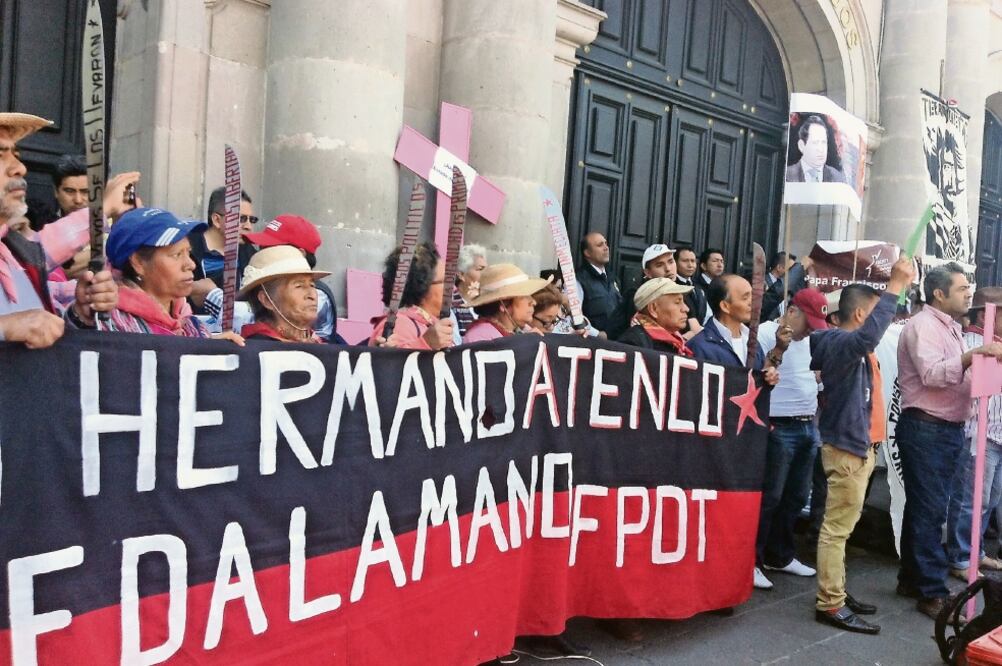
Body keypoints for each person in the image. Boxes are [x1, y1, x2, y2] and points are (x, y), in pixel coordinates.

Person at [811, 257, 913, 634]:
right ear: (858, 313)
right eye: (874, 314)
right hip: (849, 450)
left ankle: (835, 588)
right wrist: (896, 284)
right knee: (836, 529)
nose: (882, 322)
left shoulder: (851, 346)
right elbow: (869, 336)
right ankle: (830, 602)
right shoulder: (842, 342)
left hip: (861, 447)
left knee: (843, 526)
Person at [896, 263, 1002, 620]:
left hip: (947, 428)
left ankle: (912, 578)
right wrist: (974, 356)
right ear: (939, 294)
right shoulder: (922, 326)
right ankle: (932, 591)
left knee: (923, 507)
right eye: (960, 289)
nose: (968, 294)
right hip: (927, 428)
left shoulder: (950, 328)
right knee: (930, 511)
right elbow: (932, 374)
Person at [0, 112, 120, 347]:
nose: (20, 168)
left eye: (16, 155)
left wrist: (79, 314)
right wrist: (4, 327)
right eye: (0, 155)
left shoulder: (21, 254)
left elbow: (38, 337)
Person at [753, 288, 829, 591]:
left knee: (796, 496)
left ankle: (780, 554)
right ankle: (752, 560)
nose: (810, 330)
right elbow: (758, 378)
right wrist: (780, 349)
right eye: (807, 322)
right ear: (792, 311)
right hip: (778, 424)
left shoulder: (810, 339)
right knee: (770, 497)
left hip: (807, 423)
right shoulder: (764, 334)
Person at [101, 207, 243, 343]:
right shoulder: (110, 326)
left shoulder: (189, 325)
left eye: (188, 252)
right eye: (176, 255)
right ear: (138, 262)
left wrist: (212, 347)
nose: (191, 265)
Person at [945, 287, 1002, 581]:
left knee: (989, 501)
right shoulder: (972, 343)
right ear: (987, 314)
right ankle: (961, 555)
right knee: (971, 500)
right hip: (978, 433)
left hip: (997, 434)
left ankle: (975, 552)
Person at [242, 214, 343, 343]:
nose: (311, 295)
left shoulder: (320, 295)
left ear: (300, 254)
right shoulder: (256, 342)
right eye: (262, 248)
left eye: (270, 248)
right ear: (266, 299)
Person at [687, 274, 782, 385]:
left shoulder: (752, 341)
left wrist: (767, 376)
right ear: (725, 306)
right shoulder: (699, 347)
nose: (753, 302)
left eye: (752, 295)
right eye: (745, 297)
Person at [369, 241, 453, 350]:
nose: (452, 287)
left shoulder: (429, 324)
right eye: (445, 281)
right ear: (422, 286)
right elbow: (389, 364)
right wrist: (426, 343)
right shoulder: (400, 324)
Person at [238, 245, 330, 343]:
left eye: (312, 285)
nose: (312, 295)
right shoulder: (257, 347)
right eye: (299, 286)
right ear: (267, 300)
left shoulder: (319, 343)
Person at [188, 186, 258, 312]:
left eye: (252, 220)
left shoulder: (249, 252)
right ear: (217, 220)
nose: (248, 226)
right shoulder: (187, 249)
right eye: (241, 219)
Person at [463, 264, 549, 342]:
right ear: (504, 304)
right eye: (524, 296)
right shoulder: (480, 336)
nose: (533, 302)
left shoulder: (522, 331)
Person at [614, 244, 679, 338]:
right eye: (659, 265)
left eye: (670, 261)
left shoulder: (681, 293)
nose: (668, 269)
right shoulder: (638, 297)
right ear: (648, 273)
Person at [618, 277, 693, 356]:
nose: (686, 309)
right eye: (677, 302)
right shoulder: (633, 344)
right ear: (653, 309)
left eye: (683, 302)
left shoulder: (676, 341)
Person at [577, 231, 623, 336]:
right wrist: (596, 334)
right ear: (587, 253)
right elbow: (574, 315)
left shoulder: (613, 279)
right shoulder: (579, 279)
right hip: (593, 343)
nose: (606, 248)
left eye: (606, 243)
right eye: (600, 245)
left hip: (618, 342)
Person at [786, 115, 845, 183]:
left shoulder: (837, 178)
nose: (821, 149)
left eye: (823, 142)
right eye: (815, 142)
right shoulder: (788, 176)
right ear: (801, 146)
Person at [451, 243, 487, 344]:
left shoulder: (489, 303)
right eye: (480, 269)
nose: (486, 274)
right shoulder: (450, 307)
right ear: (461, 274)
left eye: (486, 269)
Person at [674, 246, 708, 327]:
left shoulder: (698, 287)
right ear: (675, 262)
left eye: (693, 261)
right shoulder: (672, 286)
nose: (690, 265)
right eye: (685, 261)